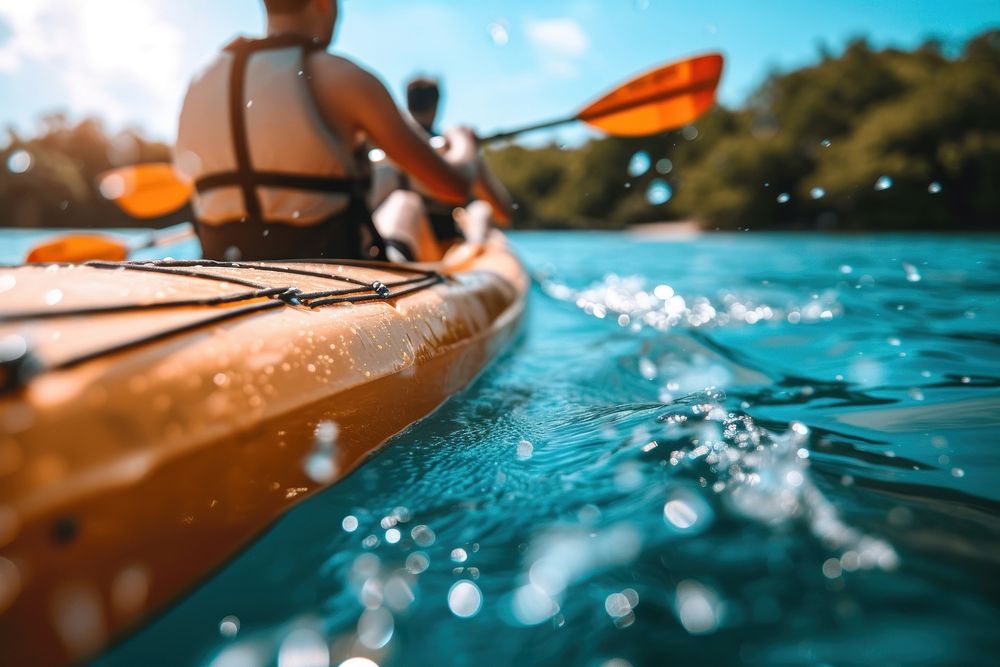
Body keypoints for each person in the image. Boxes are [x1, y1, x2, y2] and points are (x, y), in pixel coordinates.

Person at [174, 0, 476, 262]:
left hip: (227, 260)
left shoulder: (201, 79)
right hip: (333, 266)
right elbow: (453, 188)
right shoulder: (346, 78)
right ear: (323, 3)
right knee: (405, 204)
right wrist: (463, 144)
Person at [370, 77, 513, 252]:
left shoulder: (387, 142)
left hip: (409, 239)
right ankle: (473, 253)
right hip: (433, 241)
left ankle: (471, 254)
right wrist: (466, 145)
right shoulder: (460, 148)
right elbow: (504, 213)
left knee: (479, 210)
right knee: (480, 209)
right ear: (436, 104)